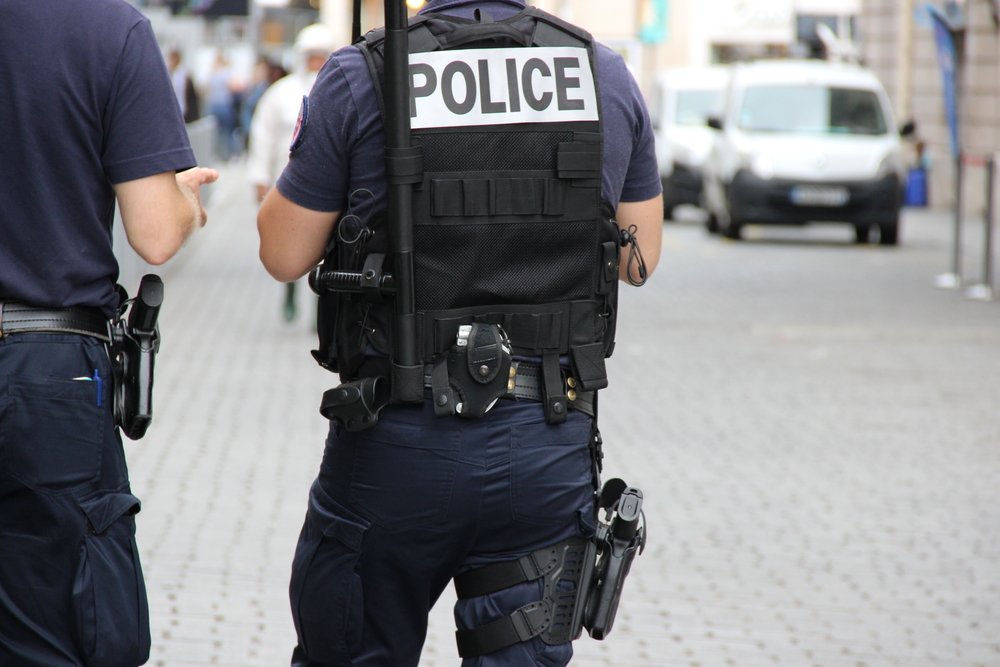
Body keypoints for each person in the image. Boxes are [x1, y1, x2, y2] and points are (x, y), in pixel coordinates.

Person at [257, 1, 662, 665]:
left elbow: (282, 253)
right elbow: (638, 255)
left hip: (399, 440)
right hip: (546, 437)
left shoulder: (365, 72)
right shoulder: (603, 74)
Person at [0, 2, 218, 666]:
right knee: (54, 632)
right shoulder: (105, 26)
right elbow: (153, 233)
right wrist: (182, 197)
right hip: (47, 366)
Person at [247, 24, 335, 322]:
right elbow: (262, 135)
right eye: (311, 58)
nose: (315, 64)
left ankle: (318, 311)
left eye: (321, 57)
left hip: (326, 187)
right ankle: (289, 296)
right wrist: (259, 178)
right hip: (285, 185)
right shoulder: (281, 93)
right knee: (289, 250)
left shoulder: (339, 94)